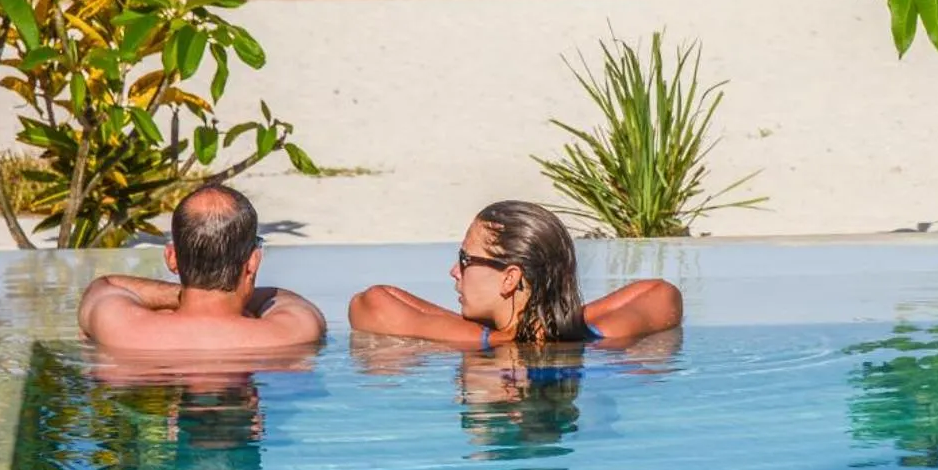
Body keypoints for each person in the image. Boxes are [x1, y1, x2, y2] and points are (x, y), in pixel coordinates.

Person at [348, 201, 683, 348]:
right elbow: (660, 293)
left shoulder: (474, 343)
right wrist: (559, 321)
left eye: (465, 259)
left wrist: (488, 335)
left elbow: (371, 302)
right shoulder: (597, 336)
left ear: (509, 279)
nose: (454, 271)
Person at [77, 184, 326, 353]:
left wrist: (184, 295)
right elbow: (285, 299)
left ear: (172, 258)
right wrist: (226, 296)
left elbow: (107, 285)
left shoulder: (119, 328)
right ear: (253, 262)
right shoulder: (294, 332)